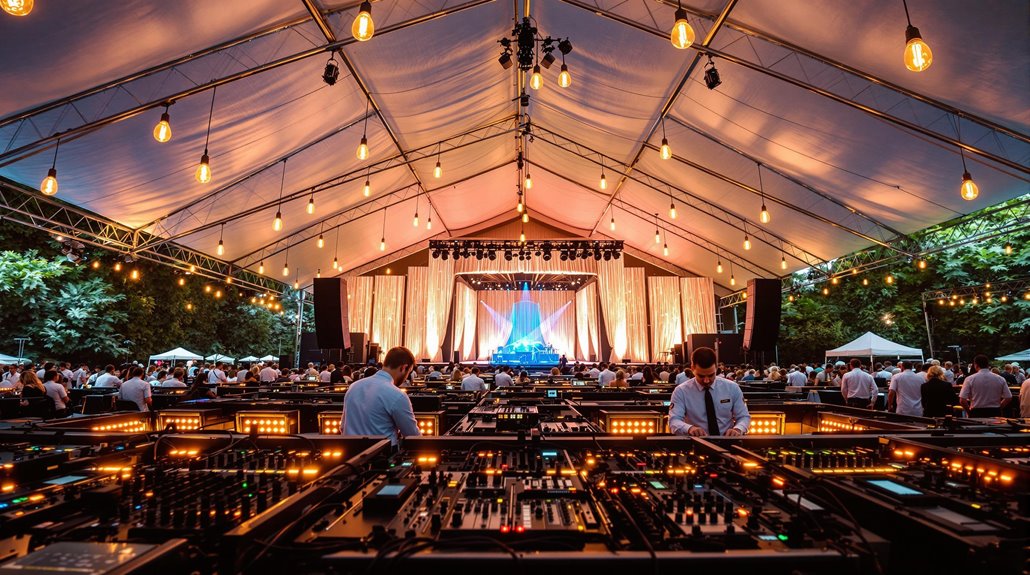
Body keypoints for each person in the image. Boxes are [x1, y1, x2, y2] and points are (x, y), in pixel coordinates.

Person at [341, 346, 420, 445]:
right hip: (382, 453)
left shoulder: (353, 387)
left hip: (350, 452)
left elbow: (343, 427)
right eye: (408, 372)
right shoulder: (397, 395)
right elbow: (412, 435)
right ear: (403, 368)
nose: (406, 377)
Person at [669, 347, 750, 436]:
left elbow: (743, 416)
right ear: (692, 368)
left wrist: (738, 429)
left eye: (711, 375)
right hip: (695, 441)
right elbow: (674, 420)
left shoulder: (732, 388)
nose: (706, 380)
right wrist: (690, 429)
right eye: (701, 376)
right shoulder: (681, 391)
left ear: (716, 368)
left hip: (728, 441)